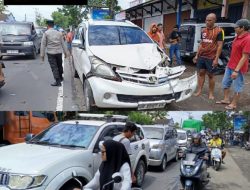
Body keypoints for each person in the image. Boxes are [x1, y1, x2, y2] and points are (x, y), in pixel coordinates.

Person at [216, 19, 250, 110]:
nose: (234, 28)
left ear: (242, 28)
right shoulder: (237, 36)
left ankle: (234, 104)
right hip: (230, 65)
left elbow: (244, 57)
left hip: (238, 68)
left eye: (236, 27)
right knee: (225, 83)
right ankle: (226, 99)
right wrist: (229, 63)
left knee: (237, 86)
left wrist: (236, 70)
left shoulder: (248, 39)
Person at [193, 13, 224, 100]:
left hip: (211, 57)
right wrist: (196, 55)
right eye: (206, 20)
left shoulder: (219, 31)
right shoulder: (203, 30)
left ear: (214, 20)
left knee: (211, 75)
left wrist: (216, 59)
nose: (207, 22)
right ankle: (199, 90)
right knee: (201, 73)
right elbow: (201, 44)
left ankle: (211, 93)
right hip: (202, 56)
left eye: (210, 20)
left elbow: (220, 45)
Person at [40, 20, 68, 87]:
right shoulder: (59, 33)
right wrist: (66, 53)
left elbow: (43, 44)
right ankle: (61, 78)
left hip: (51, 53)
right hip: (59, 52)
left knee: (54, 67)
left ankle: (58, 81)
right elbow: (63, 43)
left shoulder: (46, 33)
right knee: (59, 65)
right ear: (53, 25)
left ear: (48, 26)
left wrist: (42, 55)